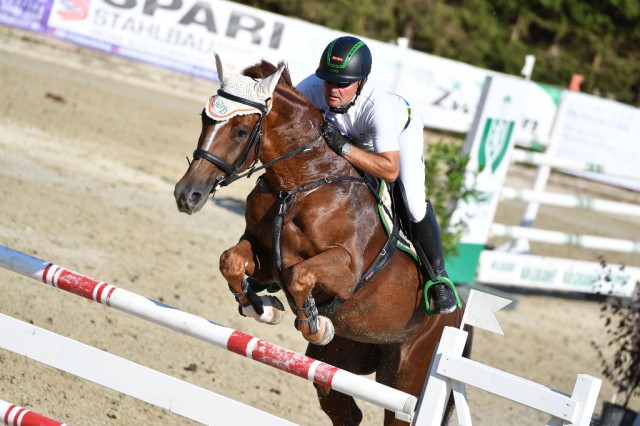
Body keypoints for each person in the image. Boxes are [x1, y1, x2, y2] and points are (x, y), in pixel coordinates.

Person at [296, 36, 458, 315]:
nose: (332, 89)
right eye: (328, 80)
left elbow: (390, 169)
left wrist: (344, 148)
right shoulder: (310, 87)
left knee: (413, 203)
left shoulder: (377, 105)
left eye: (341, 84)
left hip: (398, 136)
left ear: (360, 81)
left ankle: (438, 278)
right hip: (349, 139)